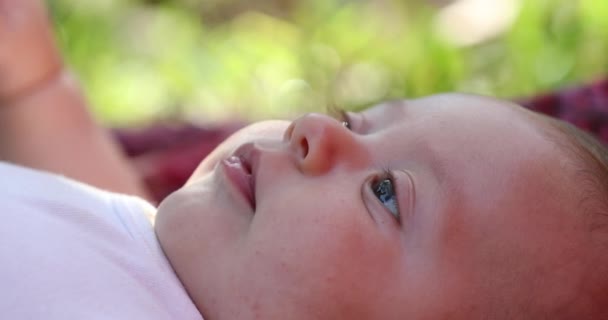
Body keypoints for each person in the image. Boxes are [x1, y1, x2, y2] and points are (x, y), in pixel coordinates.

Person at [1, 1, 607, 319]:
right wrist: (34, 86)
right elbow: (97, 225)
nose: (314, 128)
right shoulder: (163, 259)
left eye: (386, 192)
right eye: (352, 119)